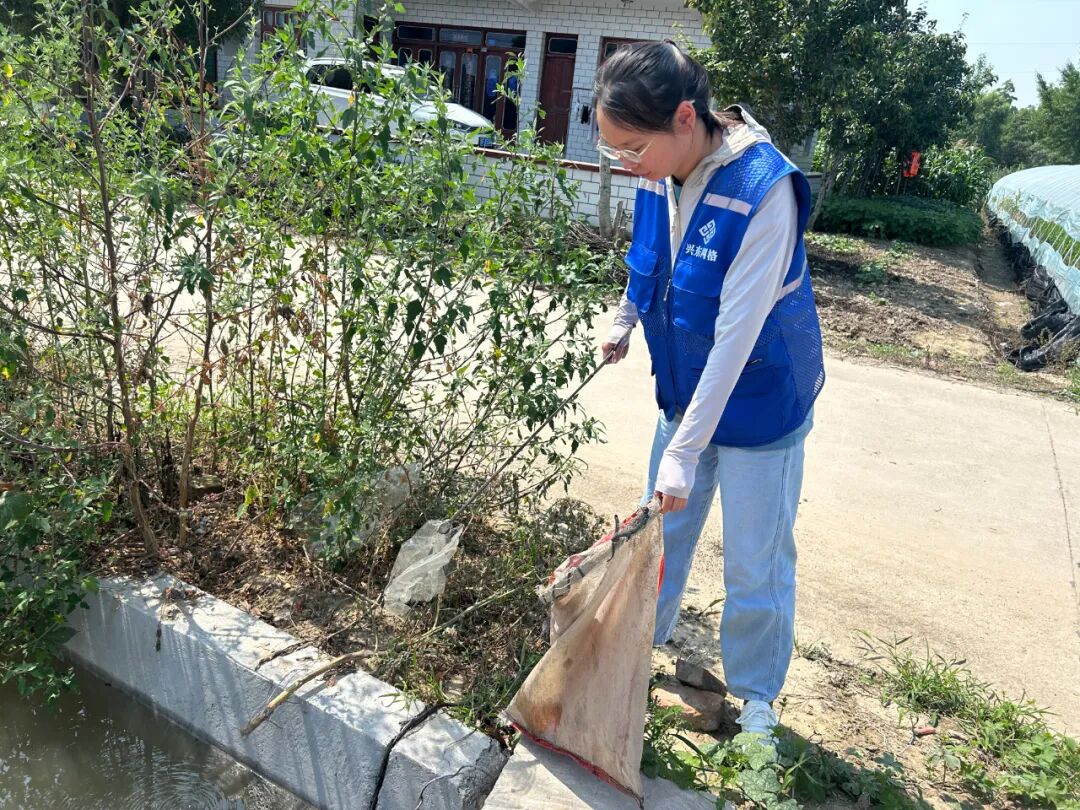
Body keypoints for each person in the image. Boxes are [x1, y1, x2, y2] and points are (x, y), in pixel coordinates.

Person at [593, 41, 825, 740]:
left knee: (757, 557)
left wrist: (681, 453)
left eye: (632, 148)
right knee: (659, 533)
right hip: (685, 391)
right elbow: (649, 256)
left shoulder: (765, 190)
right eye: (614, 152)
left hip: (758, 400)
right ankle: (636, 649)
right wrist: (625, 318)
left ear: (686, 119)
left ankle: (755, 700)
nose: (626, 163)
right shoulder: (654, 169)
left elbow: (737, 334)